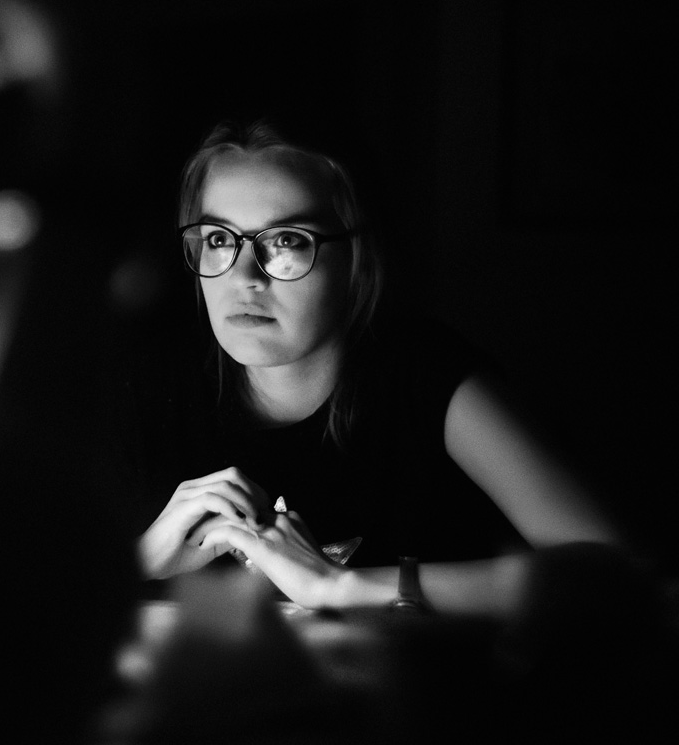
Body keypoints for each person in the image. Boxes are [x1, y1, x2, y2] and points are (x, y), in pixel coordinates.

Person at [129, 117, 629, 616]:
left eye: (285, 241)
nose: (243, 278)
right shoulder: (151, 385)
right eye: (218, 239)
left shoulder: (427, 377)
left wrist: (340, 586)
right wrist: (138, 562)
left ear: (357, 259)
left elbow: (617, 573)